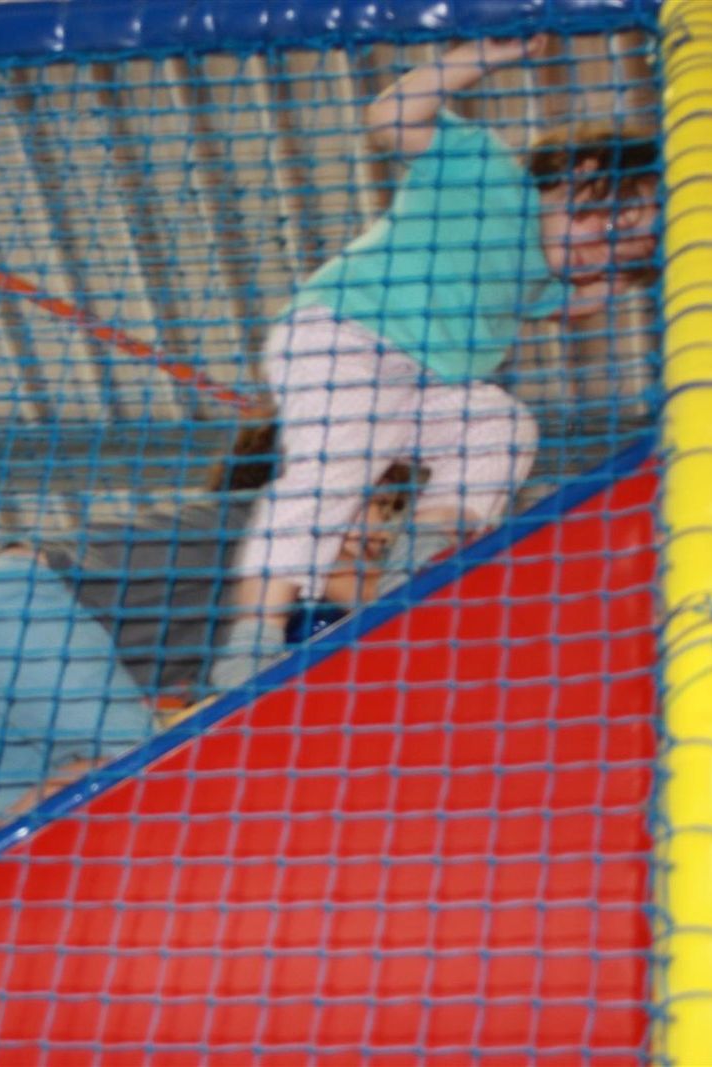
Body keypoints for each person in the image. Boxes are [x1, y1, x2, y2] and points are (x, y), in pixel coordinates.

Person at [214, 35, 662, 687]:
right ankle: (252, 636)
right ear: (581, 170)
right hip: (343, 336)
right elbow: (392, 115)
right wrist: (487, 53)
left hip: (418, 385)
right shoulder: (486, 172)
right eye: (611, 220)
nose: (607, 249)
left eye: (628, 249)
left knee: (502, 425)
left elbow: (583, 303)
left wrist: (677, 247)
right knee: (335, 469)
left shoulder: (544, 277)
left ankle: (414, 565)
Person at [0, 430, 419, 828]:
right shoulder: (283, 516)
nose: (384, 529)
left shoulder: (249, 591)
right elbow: (372, 593)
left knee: (26, 835)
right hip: (17, 608)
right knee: (149, 776)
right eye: (379, 505)